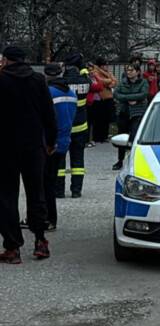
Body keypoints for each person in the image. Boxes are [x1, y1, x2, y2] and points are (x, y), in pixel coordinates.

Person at [0, 46, 57, 262]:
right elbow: (48, 114)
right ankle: (40, 241)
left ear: (6, 60)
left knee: (6, 197)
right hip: (34, 146)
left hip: (5, 148)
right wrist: (50, 142)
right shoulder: (38, 80)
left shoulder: (1, 80)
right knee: (36, 193)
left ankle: (12, 247)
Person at [42, 64, 77, 232]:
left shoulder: (48, 93)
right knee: (50, 181)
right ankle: (45, 217)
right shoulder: (71, 93)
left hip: (49, 143)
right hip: (64, 142)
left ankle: (48, 219)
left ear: (46, 75)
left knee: (44, 183)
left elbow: (46, 120)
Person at [60, 52, 92, 198]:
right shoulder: (85, 81)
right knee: (78, 160)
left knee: (59, 160)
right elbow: (90, 81)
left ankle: (59, 190)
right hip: (81, 126)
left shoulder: (62, 82)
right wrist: (84, 69)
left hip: (64, 127)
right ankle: (76, 190)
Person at [112, 64, 149, 171]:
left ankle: (134, 160)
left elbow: (143, 94)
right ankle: (120, 160)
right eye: (127, 70)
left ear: (137, 72)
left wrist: (131, 98)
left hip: (137, 112)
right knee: (121, 137)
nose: (129, 72)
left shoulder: (143, 82)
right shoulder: (123, 82)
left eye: (131, 70)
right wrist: (129, 98)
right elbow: (117, 94)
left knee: (134, 136)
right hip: (124, 112)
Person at [88, 57, 117, 143]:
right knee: (98, 119)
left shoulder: (108, 73)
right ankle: (97, 137)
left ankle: (104, 136)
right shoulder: (96, 72)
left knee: (106, 118)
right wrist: (110, 81)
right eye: (104, 65)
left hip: (108, 98)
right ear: (100, 66)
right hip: (100, 98)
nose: (106, 67)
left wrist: (110, 83)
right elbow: (101, 81)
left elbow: (115, 81)